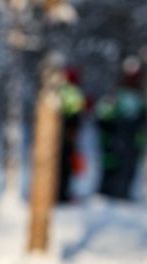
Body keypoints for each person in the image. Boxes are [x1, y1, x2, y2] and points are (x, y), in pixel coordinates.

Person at [95, 64, 147, 200]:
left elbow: (142, 119)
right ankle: (114, 193)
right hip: (120, 135)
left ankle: (122, 193)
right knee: (118, 166)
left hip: (128, 137)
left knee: (127, 167)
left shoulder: (137, 96)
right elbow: (104, 117)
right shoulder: (119, 95)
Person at [57, 67, 87, 203]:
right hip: (68, 135)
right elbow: (74, 115)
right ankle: (63, 194)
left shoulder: (59, 91)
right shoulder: (74, 93)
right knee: (66, 167)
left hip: (60, 136)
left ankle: (60, 193)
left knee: (62, 165)